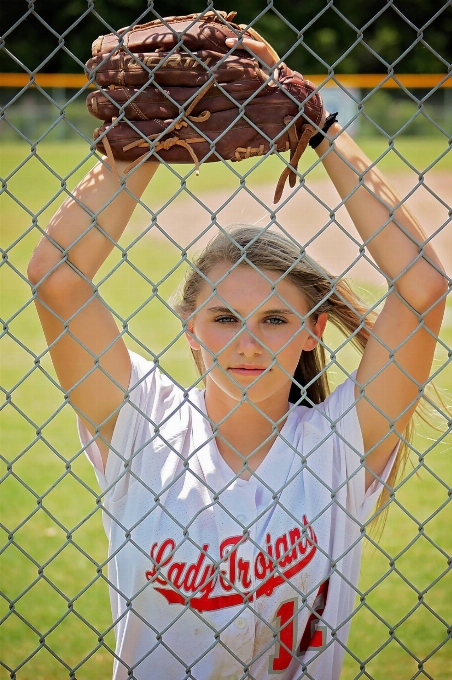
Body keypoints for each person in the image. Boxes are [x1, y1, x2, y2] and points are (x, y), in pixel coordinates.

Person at [28, 37, 447, 680]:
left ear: (313, 331)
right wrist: (146, 139)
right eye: (224, 318)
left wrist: (320, 127)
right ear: (190, 331)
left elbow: (422, 289)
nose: (248, 342)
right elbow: (57, 278)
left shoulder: (339, 446)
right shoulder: (145, 421)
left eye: (275, 320)